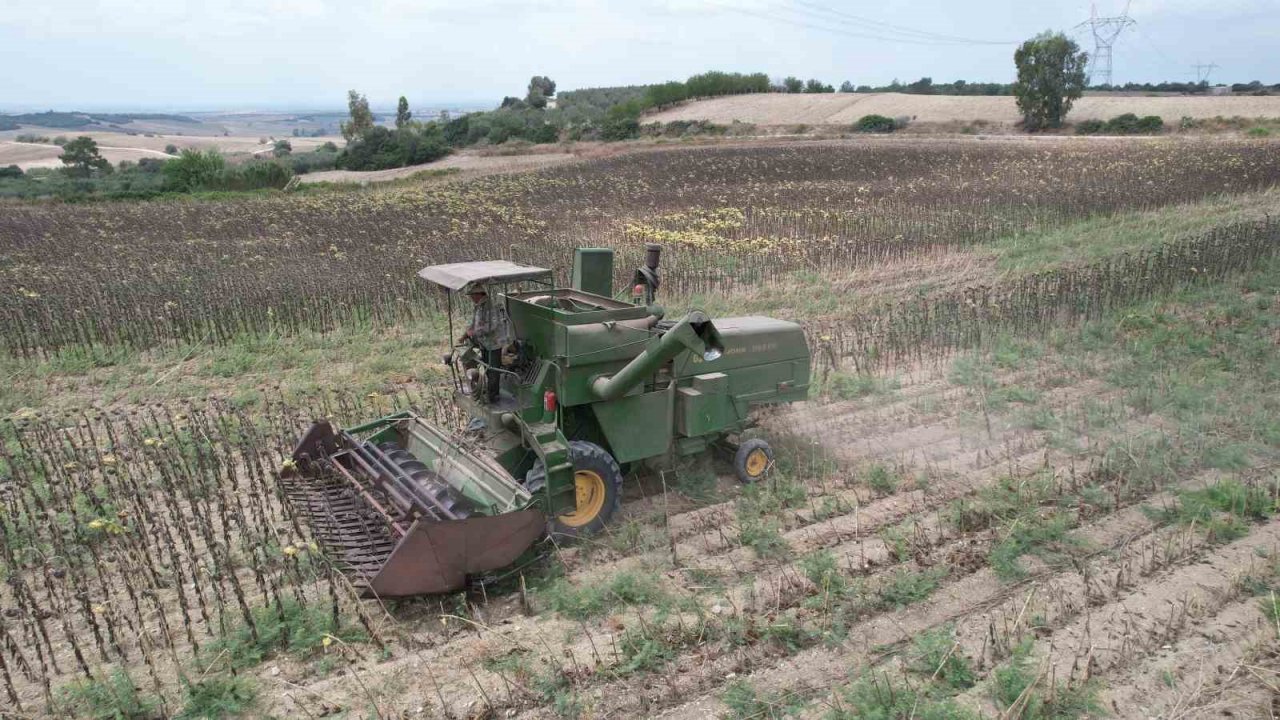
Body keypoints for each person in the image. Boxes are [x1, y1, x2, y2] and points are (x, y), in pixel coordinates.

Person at [461, 285, 511, 403]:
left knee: (493, 370)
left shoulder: (491, 307)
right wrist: (465, 335)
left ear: (479, 295)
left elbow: (492, 326)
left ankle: (493, 396)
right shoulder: (478, 307)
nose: (472, 298)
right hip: (484, 343)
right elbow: (474, 323)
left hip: (494, 343)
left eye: (473, 296)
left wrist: (475, 332)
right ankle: (488, 390)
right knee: (487, 368)